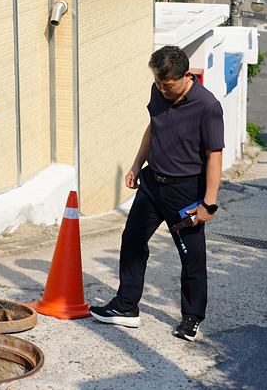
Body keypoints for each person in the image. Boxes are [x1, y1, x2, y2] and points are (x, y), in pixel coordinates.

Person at [89, 45, 224, 342]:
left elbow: (215, 156)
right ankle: (126, 307)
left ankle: (191, 317)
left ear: (186, 76)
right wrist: (137, 165)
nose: (163, 89)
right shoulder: (158, 91)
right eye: (159, 83)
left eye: (168, 84)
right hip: (152, 184)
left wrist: (209, 204)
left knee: (191, 256)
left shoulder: (207, 106)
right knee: (132, 241)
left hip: (185, 191)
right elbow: (154, 126)